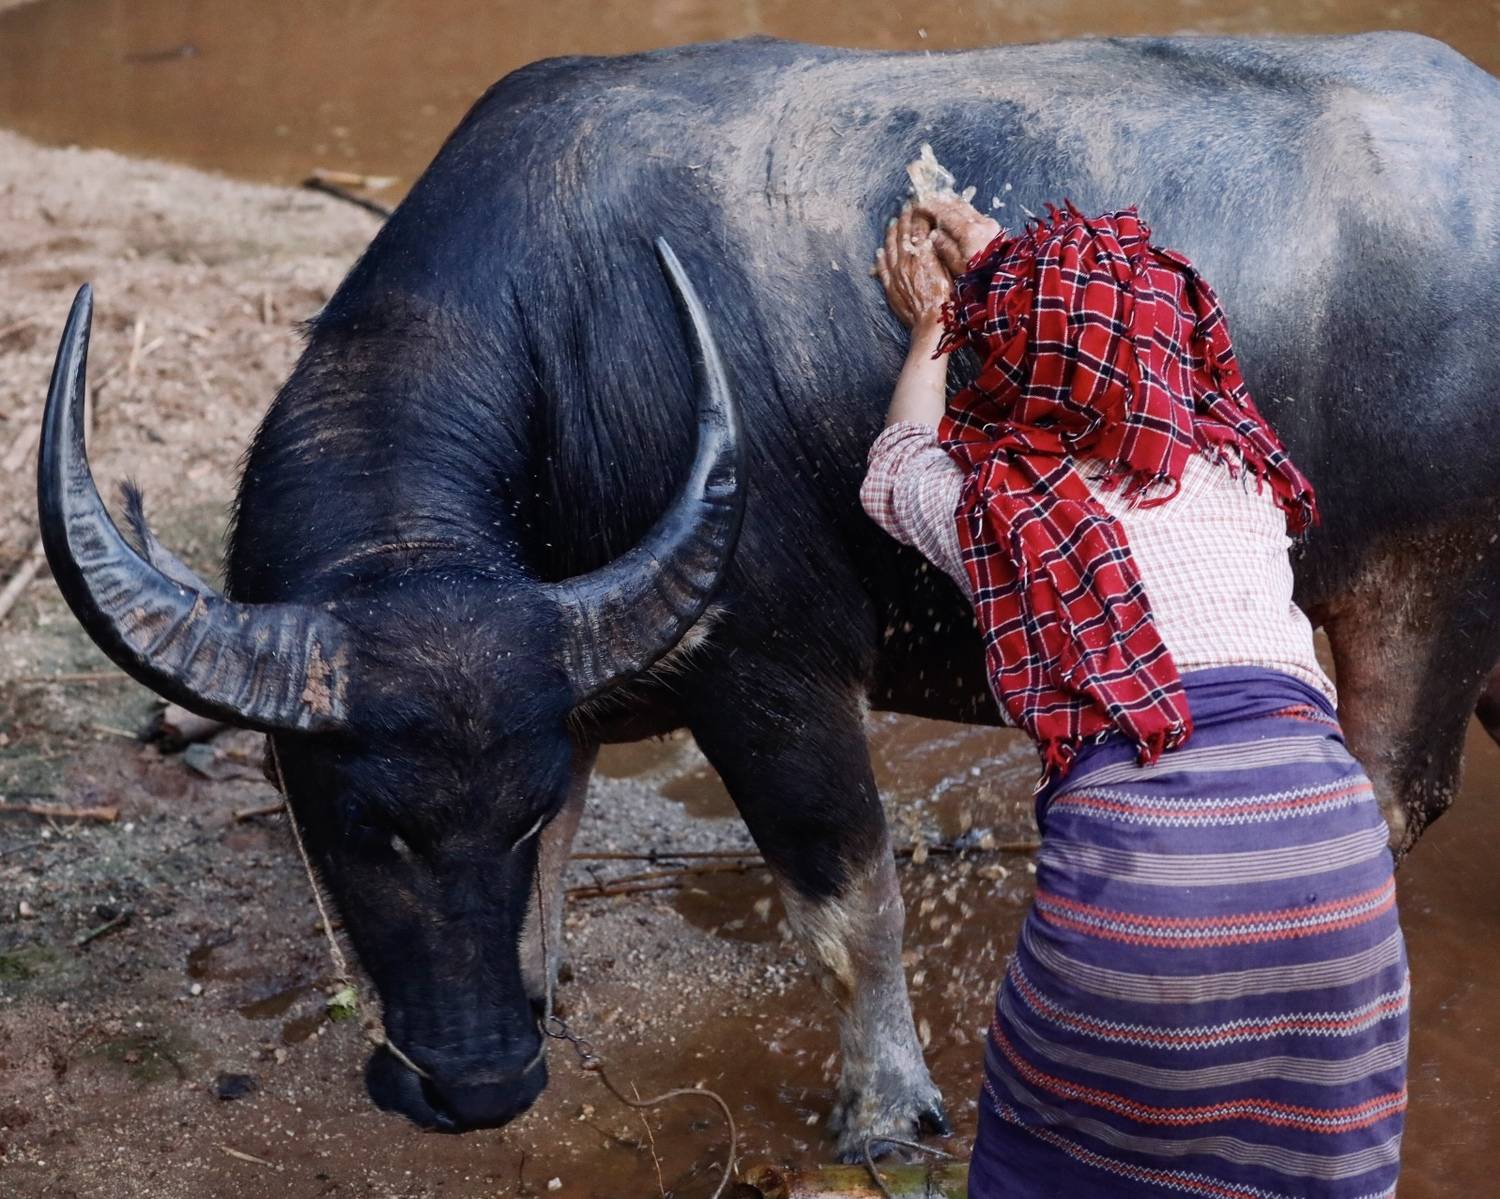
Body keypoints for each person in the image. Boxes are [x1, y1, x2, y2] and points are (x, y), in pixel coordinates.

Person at [864, 189, 1408, 1199]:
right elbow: (1129, 326)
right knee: (1306, 1162)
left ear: (1011, 360)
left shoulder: (1001, 508)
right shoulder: (1241, 470)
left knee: (1062, 1166)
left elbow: (896, 463)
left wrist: (939, 320)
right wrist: (1014, 264)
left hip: (1147, 909)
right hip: (1341, 875)